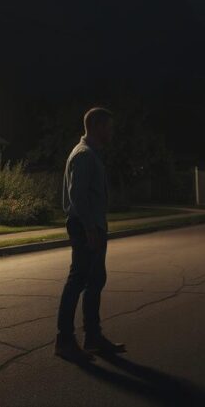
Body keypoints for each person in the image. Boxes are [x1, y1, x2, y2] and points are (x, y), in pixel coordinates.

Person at [54, 107, 127, 362]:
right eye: (108, 127)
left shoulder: (92, 154)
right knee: (78, 280)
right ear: (96, 126)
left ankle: (93, 337)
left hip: (93, 225)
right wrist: (89, 228)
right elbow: (78, 196)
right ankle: (64, 340)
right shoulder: (84, 155)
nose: (111, 132)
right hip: (86, 226)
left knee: (95, 281)